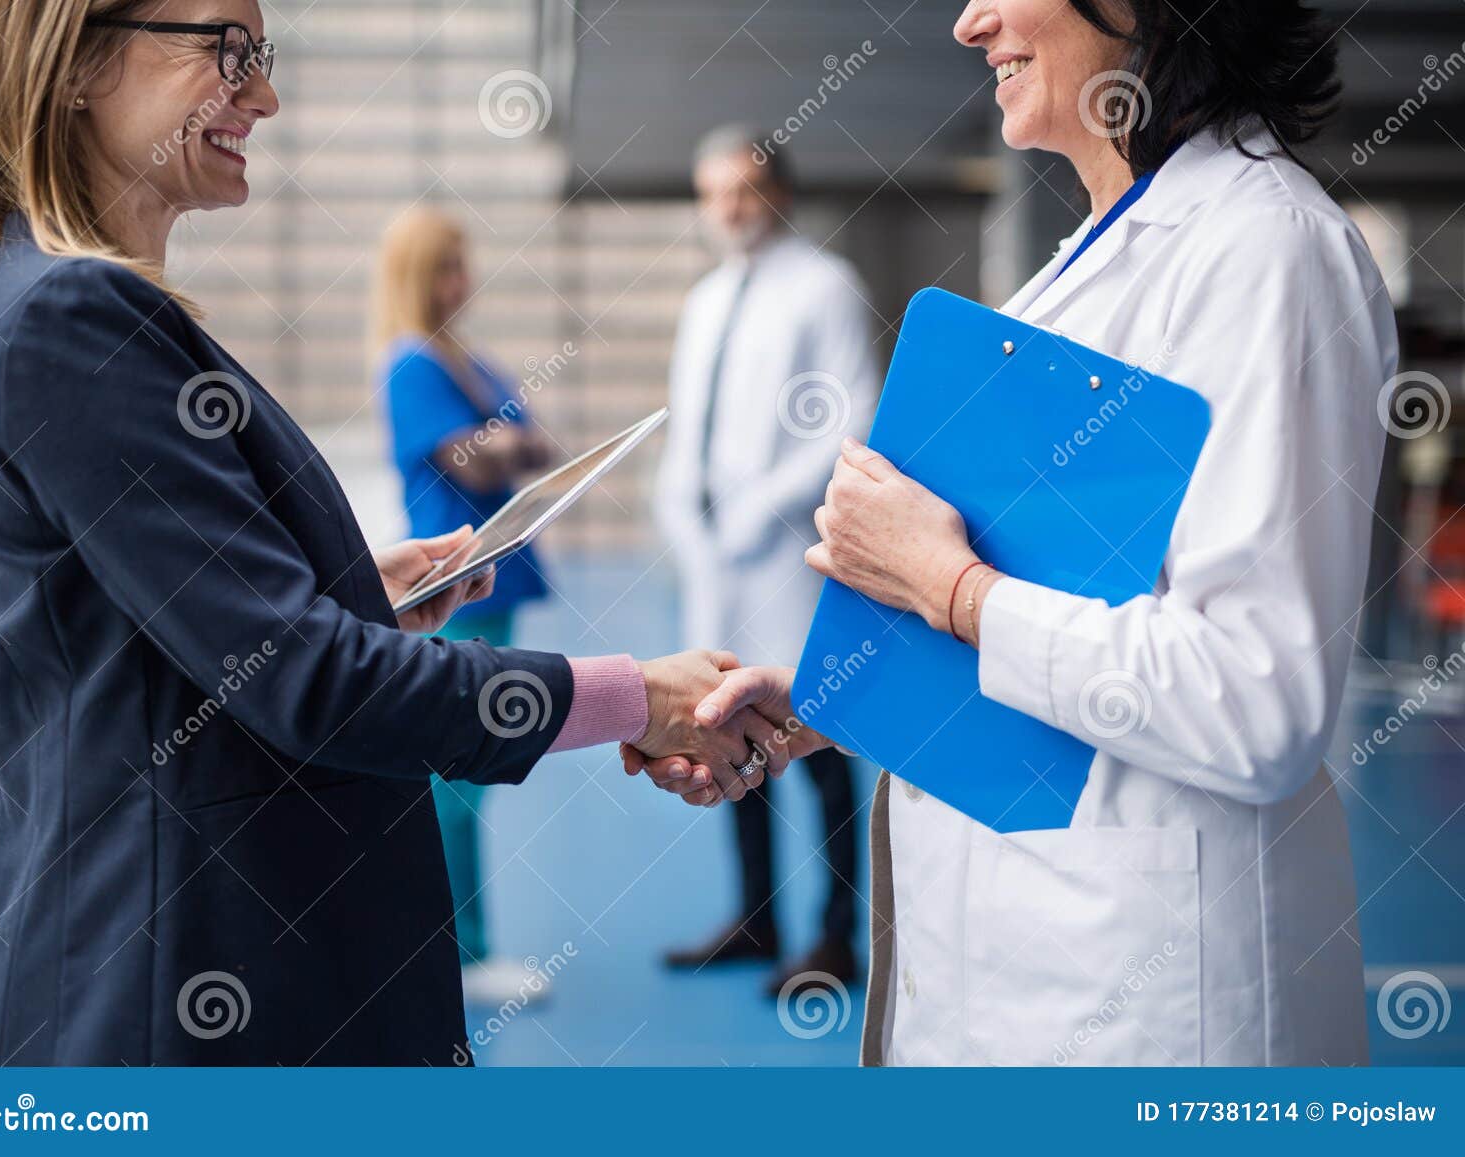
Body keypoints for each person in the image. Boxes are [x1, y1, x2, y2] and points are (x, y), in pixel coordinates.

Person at [0, 0, 802, 1066]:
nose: (263, 95)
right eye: (228, 52)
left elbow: (167, 632)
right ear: (80, 59)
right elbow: (304, 680)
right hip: (179, 990)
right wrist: (639, 696)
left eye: (262, 58)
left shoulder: (64, 305)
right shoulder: (77, 320)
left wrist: (350, 591)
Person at [633, 0, 1396, 1066]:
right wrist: (831, 706)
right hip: (1010, 975)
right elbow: (1069, 605)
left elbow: (1257, 698)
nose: (968, 21)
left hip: (1145, 1001)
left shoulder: (1266, 251)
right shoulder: (1086, 264)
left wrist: (948, 589)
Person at [652, 124, 880, 994]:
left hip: (788, 553)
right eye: (713, 195)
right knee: (721, 730)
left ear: (778, 191)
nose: (729, 209)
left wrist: (760, 505)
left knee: (816, 739)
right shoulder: (707, 298)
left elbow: (848, 417)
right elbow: (687, 424)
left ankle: (834, 936)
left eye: (743, 190)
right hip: (717, 559)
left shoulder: (826, 286)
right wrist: (684, 512)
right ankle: (755, 917)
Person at [372, 207, 558, 1006]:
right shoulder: (413, 366)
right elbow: (482, 466)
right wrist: (503, 442)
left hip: (491, 582)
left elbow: (530, 447)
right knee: (456, 775)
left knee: (470, 773)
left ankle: (461, 945)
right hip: (448, 587)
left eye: (463, 265)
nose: (460, 283)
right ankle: (460, 952)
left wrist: (502, 442)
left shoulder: (466, 364)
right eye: (444, 268)